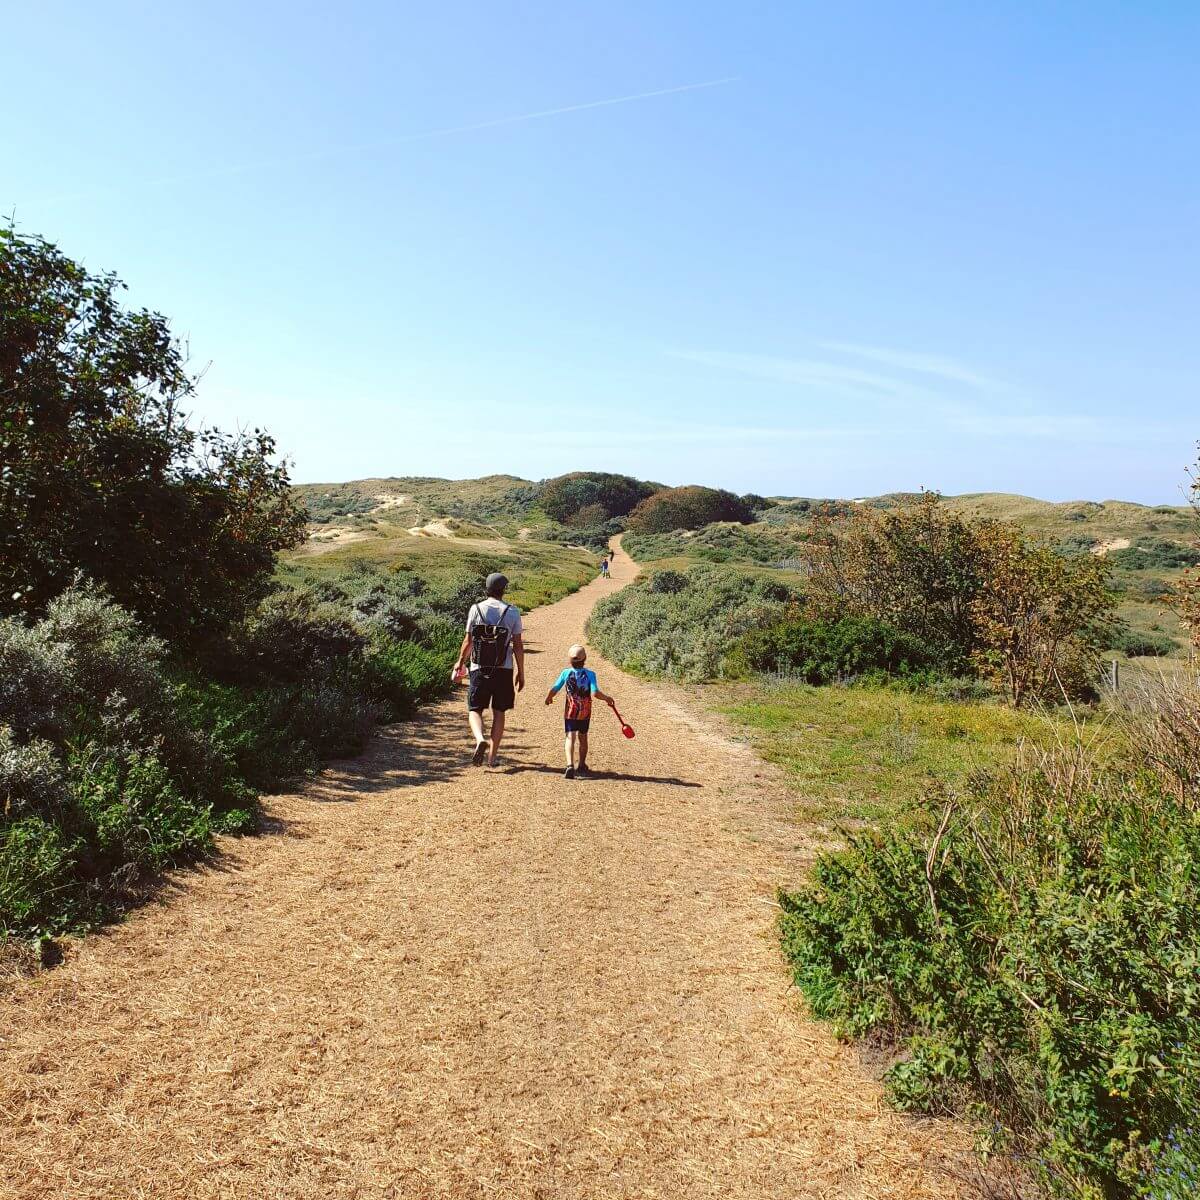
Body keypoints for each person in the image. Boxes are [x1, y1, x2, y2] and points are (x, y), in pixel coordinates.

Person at [452, 572, 524, 766]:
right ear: (503, 590)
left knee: (474, 709)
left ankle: (479, 739)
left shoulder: (476, 609)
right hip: (504, 668)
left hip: (478, 667)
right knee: (499, 712)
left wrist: (460, 662)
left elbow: (468, 641)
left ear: (487, 588)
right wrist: (521, 673)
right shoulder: (512, 611)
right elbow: (518, 646)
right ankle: (492, 757)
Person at [544, 644, 616, 779]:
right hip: (585, 712)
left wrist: (548, 698)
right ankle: (581, 764)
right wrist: (607, 698)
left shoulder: (566, 673)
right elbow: (595, 693)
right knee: (583, 737)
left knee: (570, 737)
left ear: (570, 660)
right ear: (585, 659)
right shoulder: (590, 674)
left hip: (570, 711)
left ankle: (569, 764)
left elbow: (555, 688)